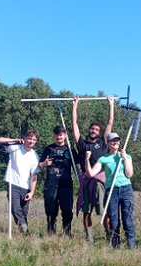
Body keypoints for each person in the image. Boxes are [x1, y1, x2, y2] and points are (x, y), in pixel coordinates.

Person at [71, 95, 115, 243]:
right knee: (86, 212)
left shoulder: (103, 142)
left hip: (100, 182)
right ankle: (89, 239)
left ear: (99, 132)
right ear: (89, 130)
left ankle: (109, 239)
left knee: (104, 212)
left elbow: (110, 122)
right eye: (92, 128)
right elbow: (74, 124)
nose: (94, 130)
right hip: (85, 181)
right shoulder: (82, 144)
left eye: (96, 129)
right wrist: (75, 105)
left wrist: (111, 104)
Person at [84, 132, 135, 250]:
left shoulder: (126, 156)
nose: (115, 142)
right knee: (114, 221)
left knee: (127, 221)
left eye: (117, 140)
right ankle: (116, 247)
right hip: (111, 191)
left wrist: (125, 159)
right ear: (107, 143)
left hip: (126, 189)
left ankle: (130, 248)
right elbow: (90, 173)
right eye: (112, 140)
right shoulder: (104, 159)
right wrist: (87, 159)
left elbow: (129, 174)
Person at [0, 130, 41, 235]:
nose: (31, 141)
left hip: (26, 186)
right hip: (13, 183)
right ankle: (26, 233)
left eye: (34, 139)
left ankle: (24, 235)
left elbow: (34, 175)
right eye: (29, 138)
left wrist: (32, 192)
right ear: (24, 138)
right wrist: (15, 140)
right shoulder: (15, 147)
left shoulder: (35, 156)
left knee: (24, 213)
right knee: (15, 209)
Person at [38, 126, 79, 236]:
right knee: (51, 210)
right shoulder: (48, 148)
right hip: (51, 184)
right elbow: (40, 165)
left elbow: (76, 166)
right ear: (54, 136)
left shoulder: (70, 149)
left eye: (60, 134)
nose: (58, 137)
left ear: (65, 135)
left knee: (67, 210)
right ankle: (51, 233)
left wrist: (81, 180)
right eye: (56, 135)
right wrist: (45, 163)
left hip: (66, 184)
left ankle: (67, 233)